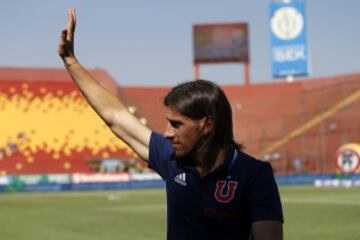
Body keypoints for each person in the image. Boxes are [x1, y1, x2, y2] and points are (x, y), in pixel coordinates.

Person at [58, 9, 283, 240]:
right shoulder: (171, 158)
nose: (167, 133)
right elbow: (114, 115)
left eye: (177, 124)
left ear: (206, 125)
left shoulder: (255, 175)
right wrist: (71, 61)